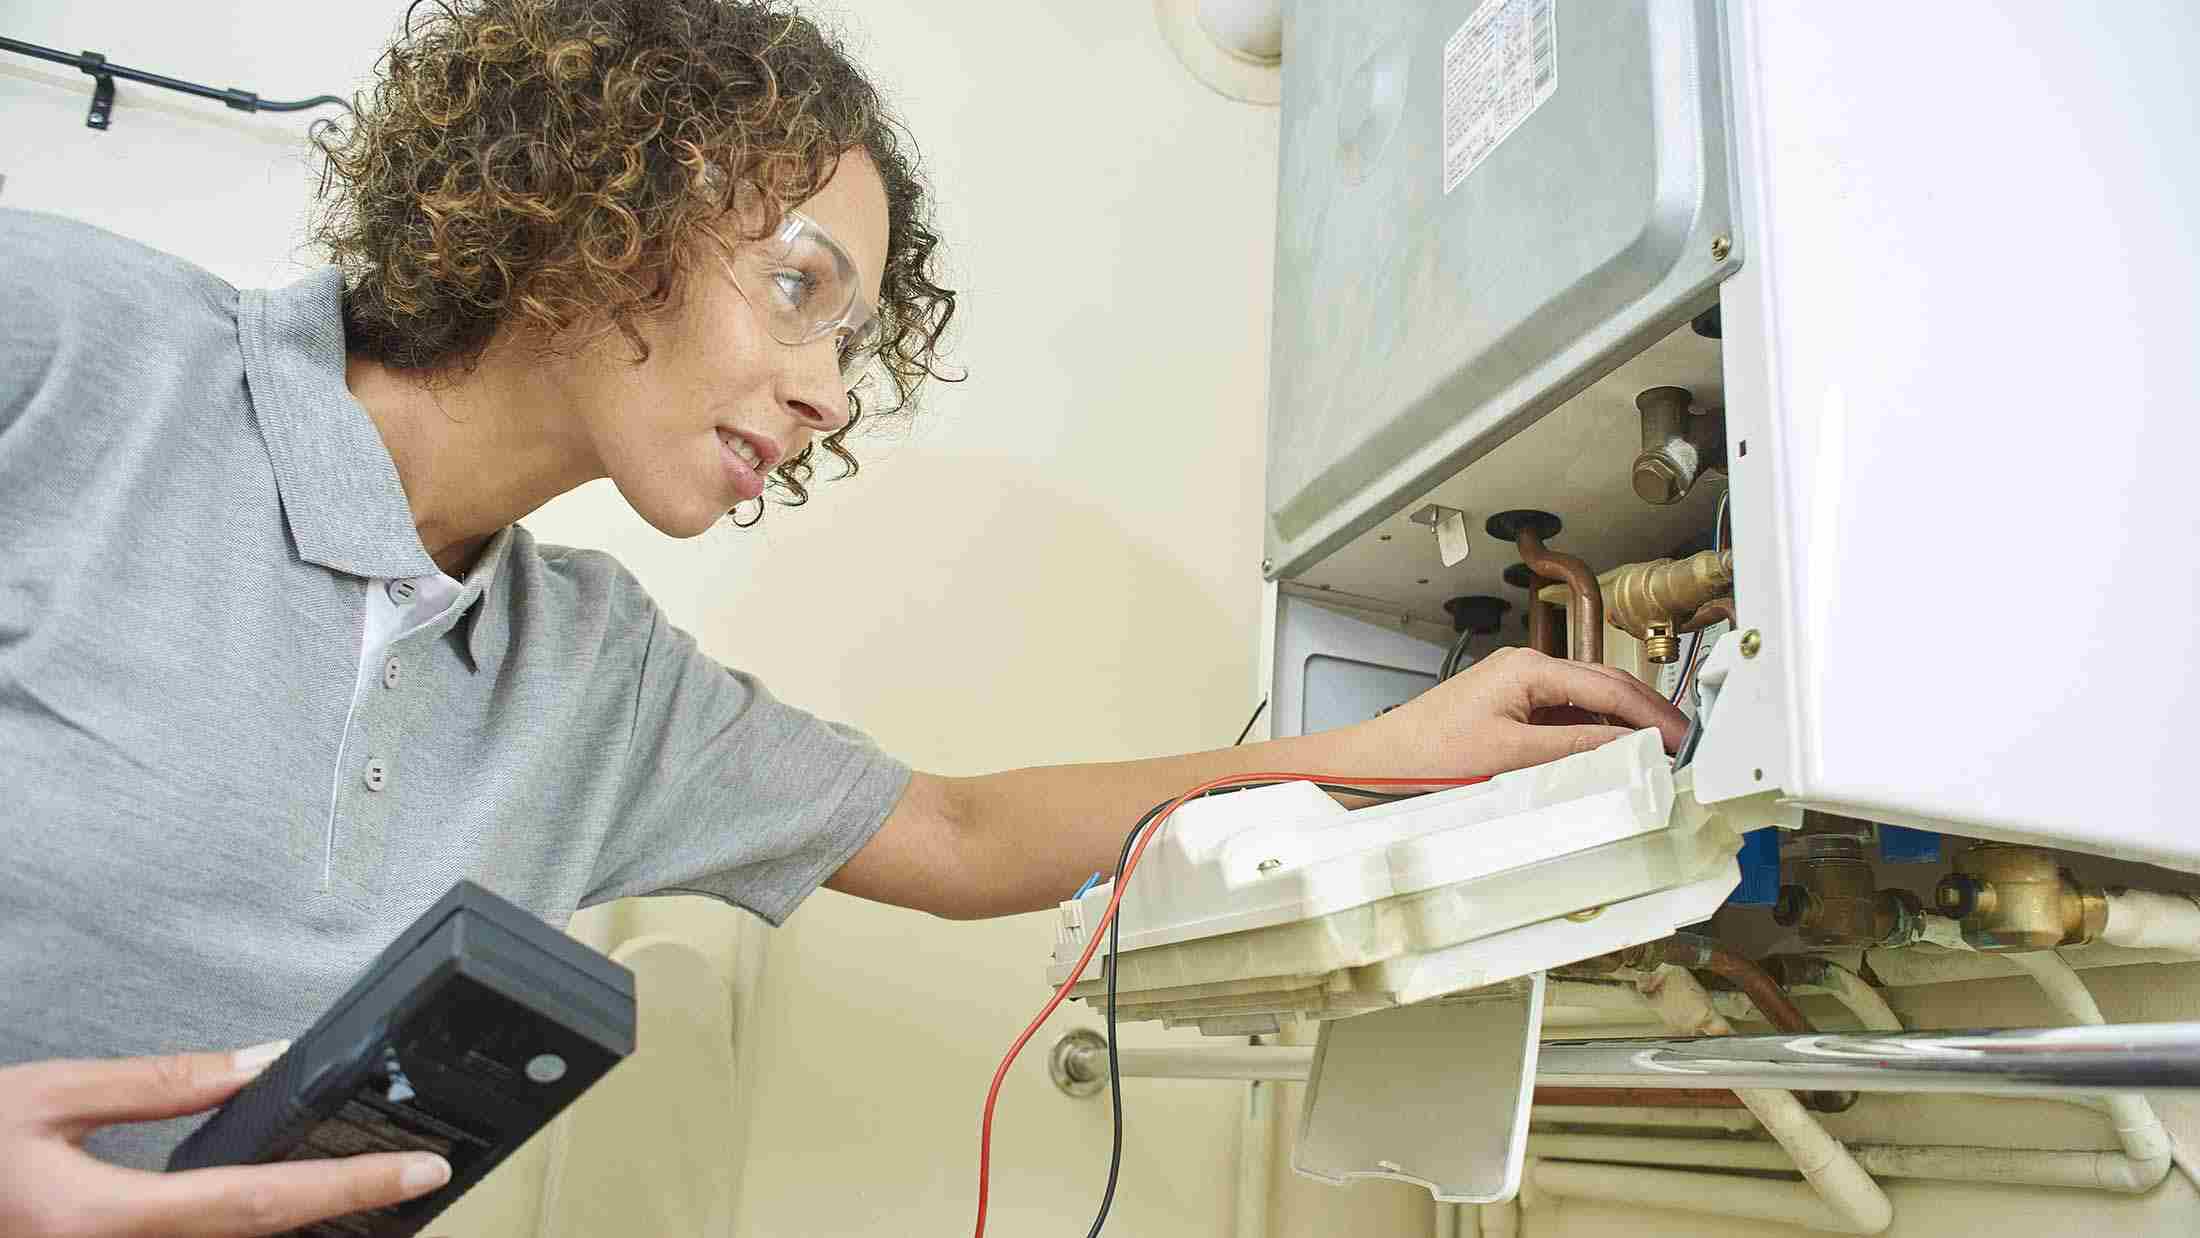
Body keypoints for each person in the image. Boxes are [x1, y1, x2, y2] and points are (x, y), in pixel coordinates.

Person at [0, 1, 1686, 1233]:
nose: (824, 396)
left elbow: (950, 829)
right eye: (798, 288)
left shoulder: (591, 678)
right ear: (592, 200)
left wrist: (1386, 752)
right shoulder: (77, 355)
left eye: (854, 343)